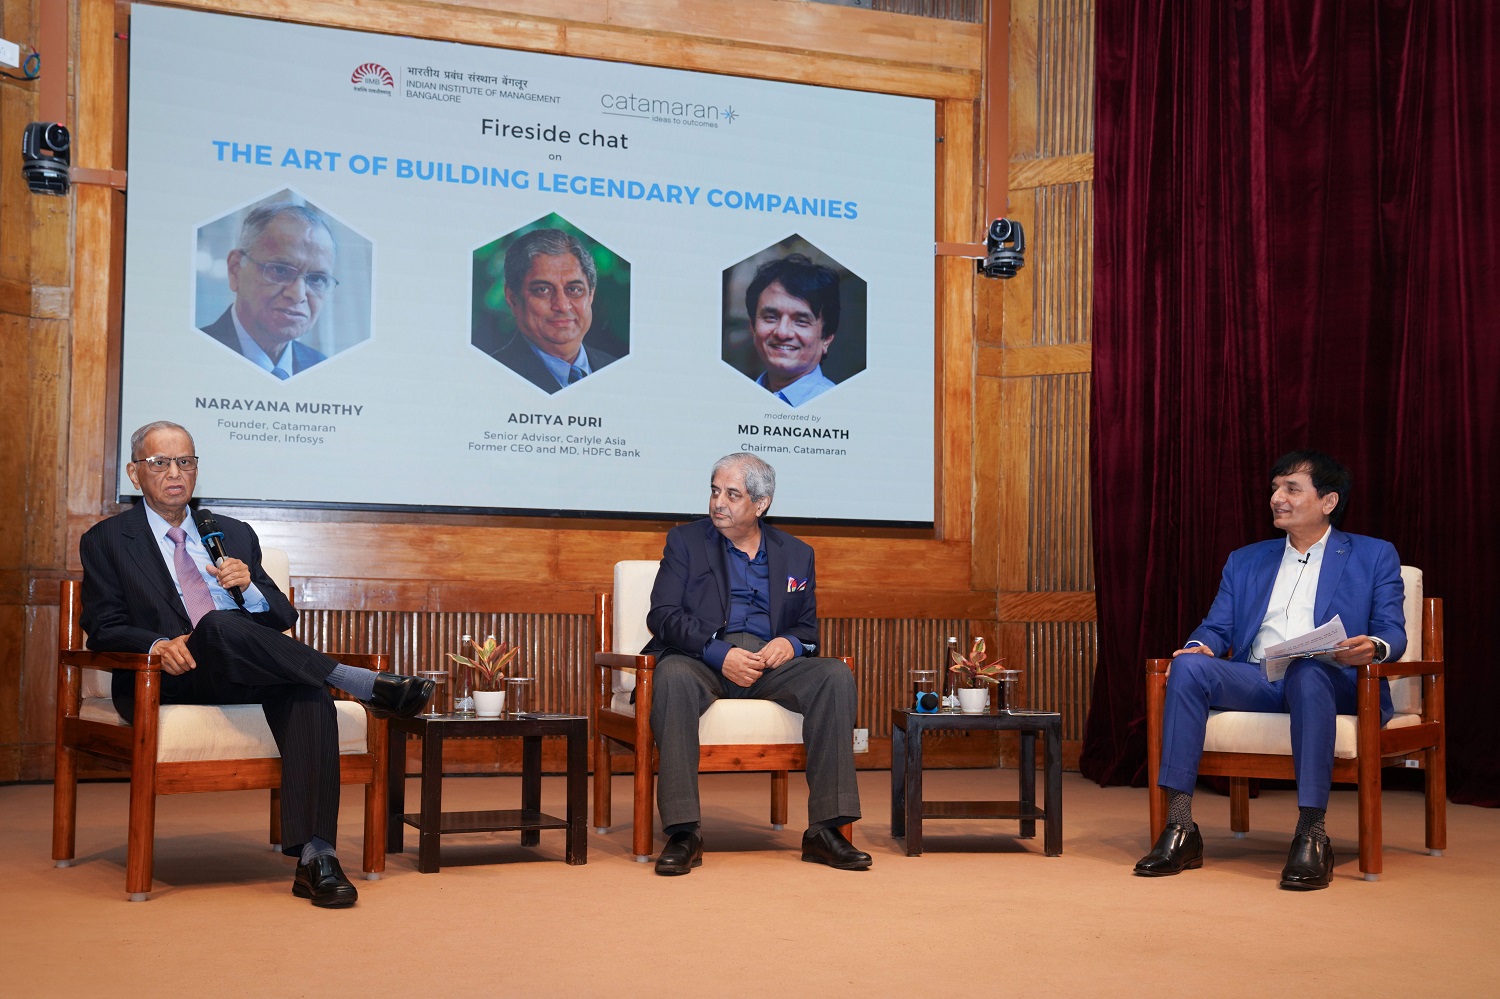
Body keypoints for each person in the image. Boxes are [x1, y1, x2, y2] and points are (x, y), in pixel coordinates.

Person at [80, 420, 435, 907]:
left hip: (245, 667)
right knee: (218, 628)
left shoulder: (232, 533)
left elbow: (282, 615)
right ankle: (364, 684)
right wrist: (159, 643)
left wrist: (246, 586)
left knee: (304, 688)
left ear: (197, 469)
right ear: (134, 471)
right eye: (159, 462)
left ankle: (317, 857)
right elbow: (103, 625)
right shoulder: (107, 539)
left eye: (185, 461)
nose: (174, 473)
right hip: (172, 674)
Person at [1134, 450, 1405, 890]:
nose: (1277, 498)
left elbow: (1392, 631)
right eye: (1276, 488)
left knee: (1307, 671)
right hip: (1259, 677)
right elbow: (1216, 627)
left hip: (1332, 680)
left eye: (1292, 489)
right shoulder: (1245, 559)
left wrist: (1371, 647)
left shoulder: (1373, 555)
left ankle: (1312, 834)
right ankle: (1181, 827)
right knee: (1187, 669)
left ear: (1328, 502)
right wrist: (1199, 646)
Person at [643, 452, 868, 875]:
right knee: (669, 676)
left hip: (769, 663)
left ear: (761, 504)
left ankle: (825, 830)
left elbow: (807, 629)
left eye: (732, 494)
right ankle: (683, 832)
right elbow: (663, 615)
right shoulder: (686, 541)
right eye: (714, 491)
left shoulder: (797, 554)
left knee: (835, 675)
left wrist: (792, 643)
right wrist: (718, 653)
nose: (718, 503)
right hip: (703, 657)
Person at [200, 203, 339, 379]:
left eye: (317, 279)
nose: (298, 295)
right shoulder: (192, 353)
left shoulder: (324, 371)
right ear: (236, 270)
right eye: (280, 271)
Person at [481, 228, 618, 393]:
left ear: (591, 295)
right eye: (543, 290)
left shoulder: (619, 372)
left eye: (574, 289)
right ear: (512, 298)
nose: (562, 305)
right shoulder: (489, 376)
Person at [744, 253, 840, 406]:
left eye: (801, 321)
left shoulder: (840, 407)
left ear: (826, 338)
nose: (782, 333)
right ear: (752, 327)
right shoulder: (736, 400)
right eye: (770, 317)